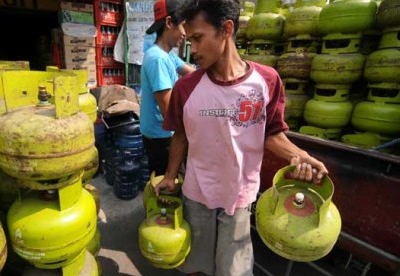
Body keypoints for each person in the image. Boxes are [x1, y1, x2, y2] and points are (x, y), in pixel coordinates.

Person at [154, 0, 329, 275]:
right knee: (196, 268)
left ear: (226, 29)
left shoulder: (267, 81)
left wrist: (302, 157)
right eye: (190, 40)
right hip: (197, 192)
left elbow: (271, 133)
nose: (193, 50)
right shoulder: (186, 88)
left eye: (199, 38)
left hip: (239, 195)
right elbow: (181, 135)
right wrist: (169, 175)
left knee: (233, 269)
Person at [140, 0, 196, 176]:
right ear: (169, 23)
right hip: (161, 138)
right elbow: (168, 112)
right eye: (183, 26)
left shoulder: (166, 55)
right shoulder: (158, 59)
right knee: (166, 186)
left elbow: (191, 72)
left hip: (157, 133)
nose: (185, 34)